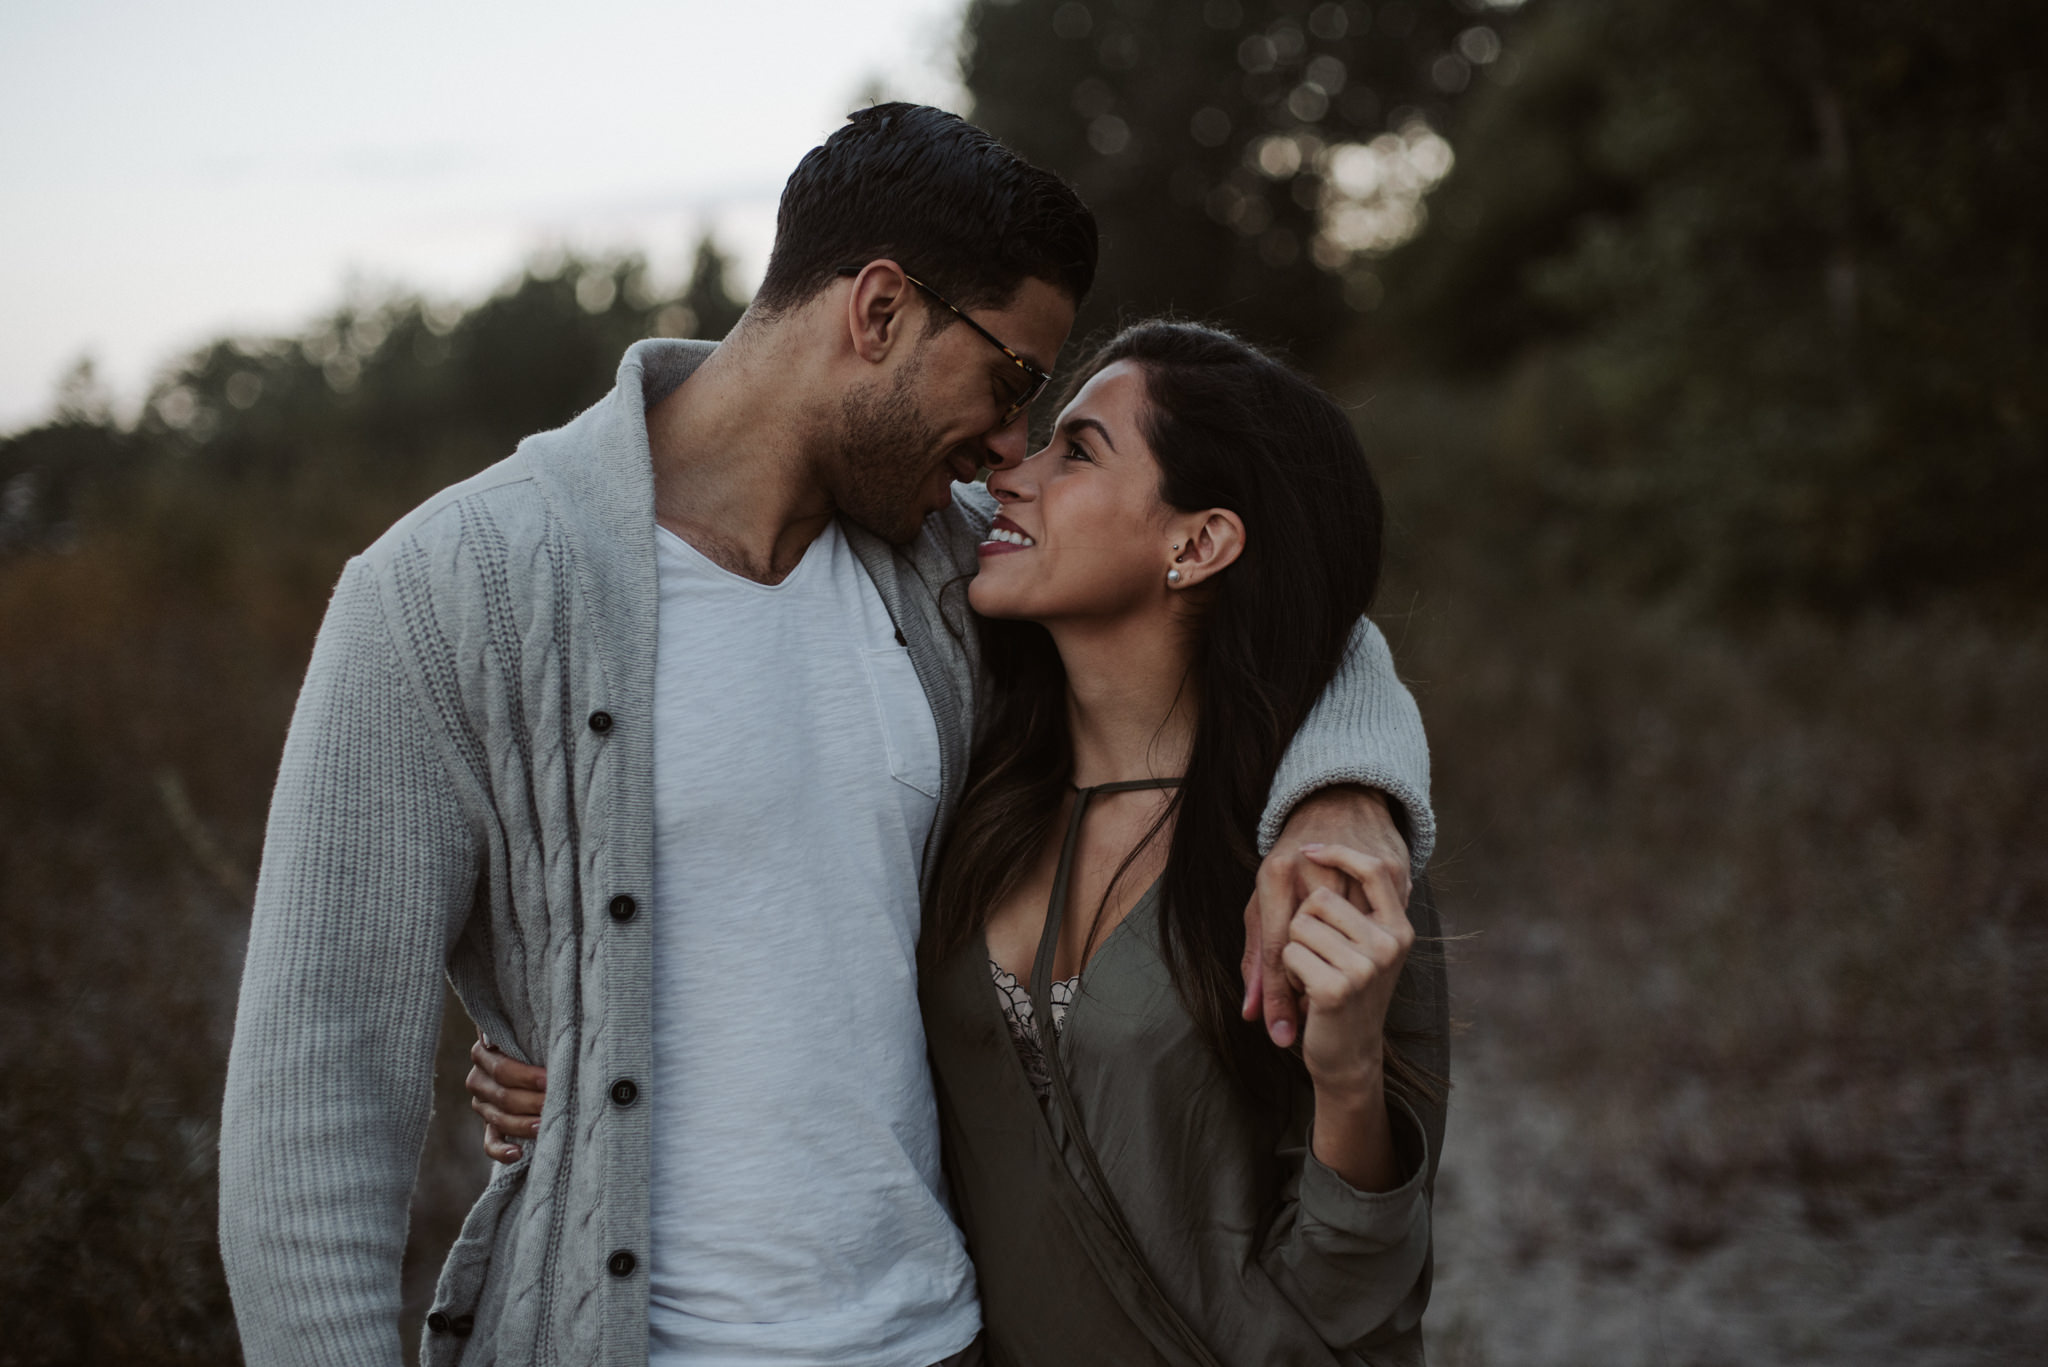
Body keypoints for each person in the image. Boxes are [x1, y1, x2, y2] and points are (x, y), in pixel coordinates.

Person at [220, 105, 1434, 1367]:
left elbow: (1280, 611)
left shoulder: (949, 565)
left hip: (937, 1340)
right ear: (878, 313)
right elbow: (313, 1110)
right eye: (1012, 379)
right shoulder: (451, 593)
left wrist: (1343, 796)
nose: (1010, 446)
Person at [470, 321, 1446, 1366]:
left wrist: (1347, 1080)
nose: (1009, 475)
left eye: (1077, 450)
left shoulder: (1315, 863)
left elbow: (1360, 1305)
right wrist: (590, 1050)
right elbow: (802, 997)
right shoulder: (971, 785)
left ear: (1197, 543)